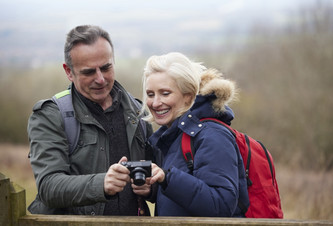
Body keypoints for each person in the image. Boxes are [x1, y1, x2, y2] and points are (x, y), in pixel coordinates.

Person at [27, 25, 153, 216]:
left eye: (106, 68)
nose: (100, 79)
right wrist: (101, 184)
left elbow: (158, 177)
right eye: (88, 72)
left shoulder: (139, 112)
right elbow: (48, 186)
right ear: (68, 71)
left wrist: (153, 188)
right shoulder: (50, 116)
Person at [142, 52, 250, 217]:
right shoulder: (173, 137)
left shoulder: (212, 136)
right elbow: (187, 199)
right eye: (150, 94)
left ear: (188, 96)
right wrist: (153, 188)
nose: (155, 103)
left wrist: (167, 178)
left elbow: (221, 205)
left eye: (165, 93)